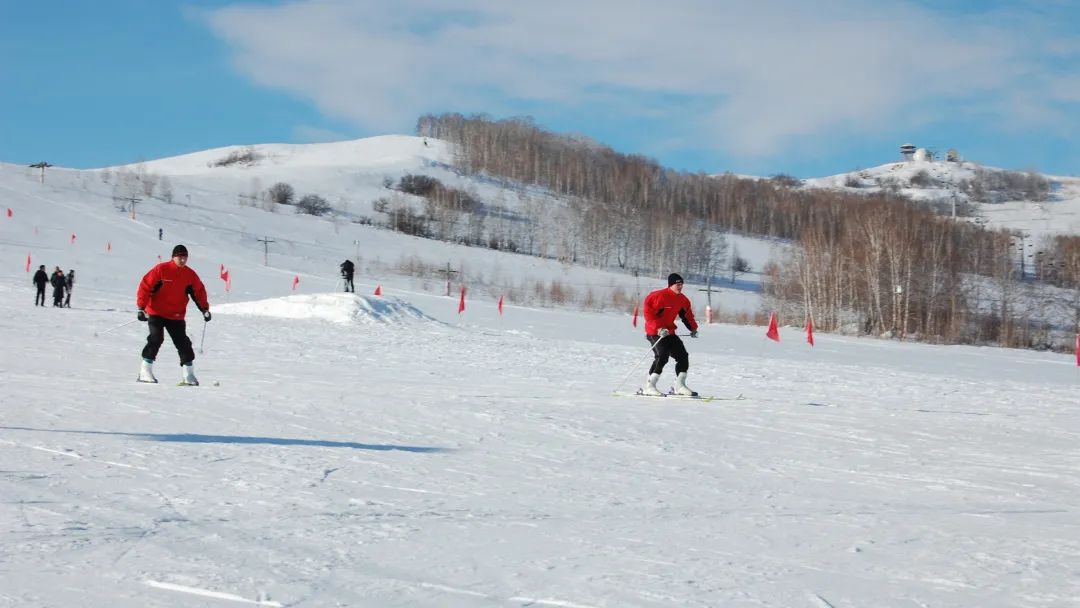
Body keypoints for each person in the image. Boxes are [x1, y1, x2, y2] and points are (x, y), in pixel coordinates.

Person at [136, 244, 210, 385]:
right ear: (173, 257)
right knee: (156, 338)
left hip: (176, 315)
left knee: (183, 342)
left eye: (185, 257)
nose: (183, 260)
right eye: (180, 257)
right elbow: (145, 286)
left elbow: (198, 292)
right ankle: (145, 371)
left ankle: (189, 375)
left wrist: (205, 309)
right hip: (156, 312)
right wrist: (141, 308)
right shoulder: (161, 269)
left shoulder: (190, 274)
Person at [641, 273, 699, 397]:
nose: (680, 287)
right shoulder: (658, 296)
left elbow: (687, 316)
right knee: (662, 356)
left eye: (681, 284)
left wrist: (693, 328)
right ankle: (649, 386)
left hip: (670, 332)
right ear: (670, 285)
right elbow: (648, 313)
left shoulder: (682, 299)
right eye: (677, 284)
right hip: (655, 332)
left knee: (683, 356)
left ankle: (679, 386)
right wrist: (658, 328)